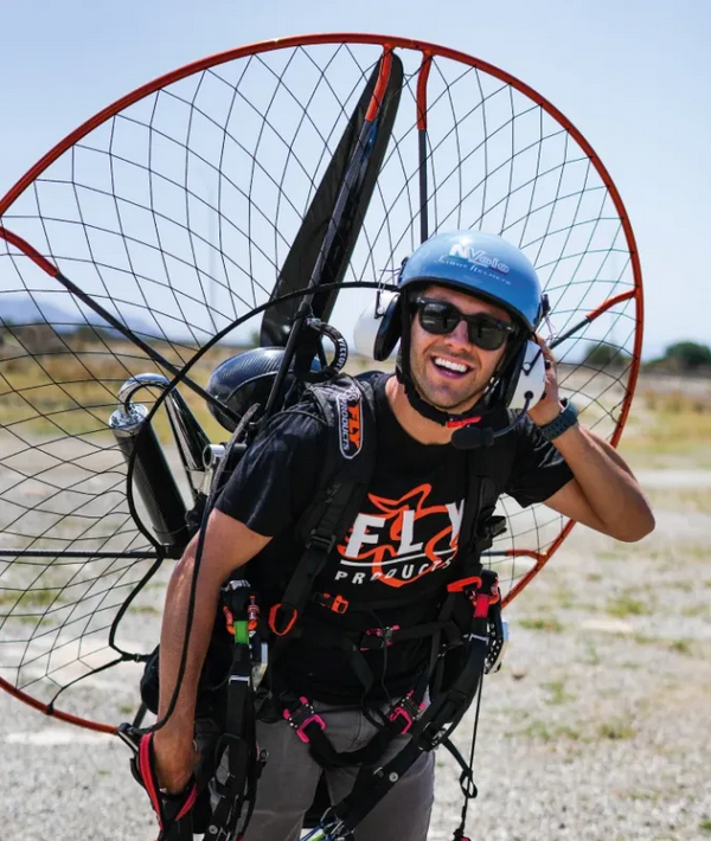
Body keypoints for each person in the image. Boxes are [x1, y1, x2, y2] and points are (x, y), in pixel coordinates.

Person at [152, 231, 654, 841]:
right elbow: (197, 572)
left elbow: (631, 520)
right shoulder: (315, 436)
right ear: (397, 324)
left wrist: (552, 414)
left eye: (489, 331)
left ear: (517, 358)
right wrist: (173, 738)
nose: (458, 342)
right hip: (275, 706)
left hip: (401, 717)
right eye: (438, 315)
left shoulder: (499, 441)